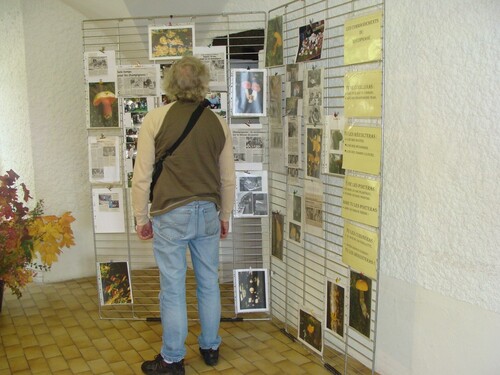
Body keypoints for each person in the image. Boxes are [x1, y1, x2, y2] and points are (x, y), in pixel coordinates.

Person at [132, 56, 236, 375]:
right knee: (208, 282)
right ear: (203, 83)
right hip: (207, 211)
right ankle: (210, 346)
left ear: (170, 84)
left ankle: (174, 359)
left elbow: (142, 177)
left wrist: (140, 218)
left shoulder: (154, 119)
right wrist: (225, 215)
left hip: (170, 213)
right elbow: (228, 179)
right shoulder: (217, 123)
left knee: (173, 287)